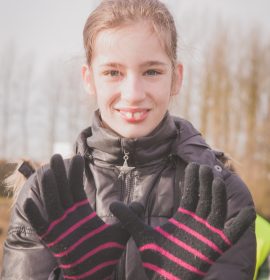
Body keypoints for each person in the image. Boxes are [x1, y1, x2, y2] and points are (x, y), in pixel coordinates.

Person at [1, 0, 256, 279]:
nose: (133, 93)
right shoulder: (45, 194)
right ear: (89, 79)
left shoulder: (220, 196)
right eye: (113, 72)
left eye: (152, 72)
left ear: (176, 78)